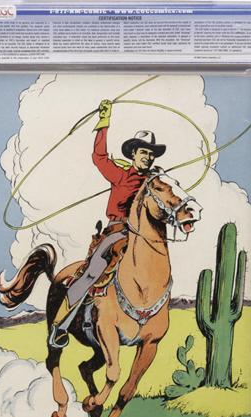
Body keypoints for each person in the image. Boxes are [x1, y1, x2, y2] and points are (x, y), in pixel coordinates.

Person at [49, 99, 167, 348]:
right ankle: (60, 325)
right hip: (117, 233)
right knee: (91, 272)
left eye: (151, 154)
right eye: (143, 152)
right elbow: (99, 156)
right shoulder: (120, 174)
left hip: (146, 237)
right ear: (133, 154)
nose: (148, 157)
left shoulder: (155, 180)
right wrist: (104, 122)